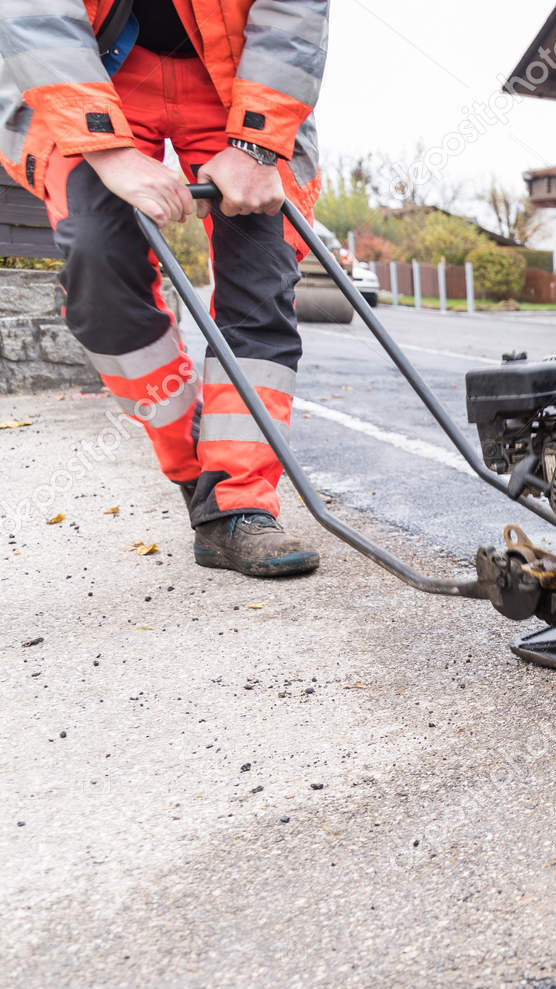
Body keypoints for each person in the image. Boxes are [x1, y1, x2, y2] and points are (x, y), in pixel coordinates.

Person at [0, 0, 329, 576]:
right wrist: (105, 148)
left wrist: (255, 145)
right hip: (90, 72)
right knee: (100, 263)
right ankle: (192, 461)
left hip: (234, 81)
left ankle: (238, 504)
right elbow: (37, 13)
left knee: (262, 278)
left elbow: (294, 14)